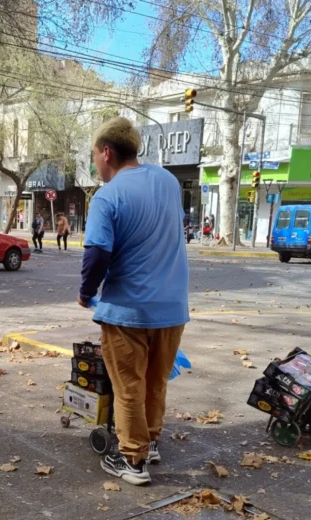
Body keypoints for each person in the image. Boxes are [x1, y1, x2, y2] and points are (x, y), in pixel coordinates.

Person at [78, 117, 189, 486]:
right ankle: (151, 442)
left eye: (94, 155)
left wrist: (85, 292)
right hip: (173, 308)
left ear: (106, 152)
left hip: (128, 310)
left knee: (128, 387)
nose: (96, 163)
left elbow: (97, 254)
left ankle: (132, 460)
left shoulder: (107, 196)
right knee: (157, 382)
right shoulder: (169, 182)